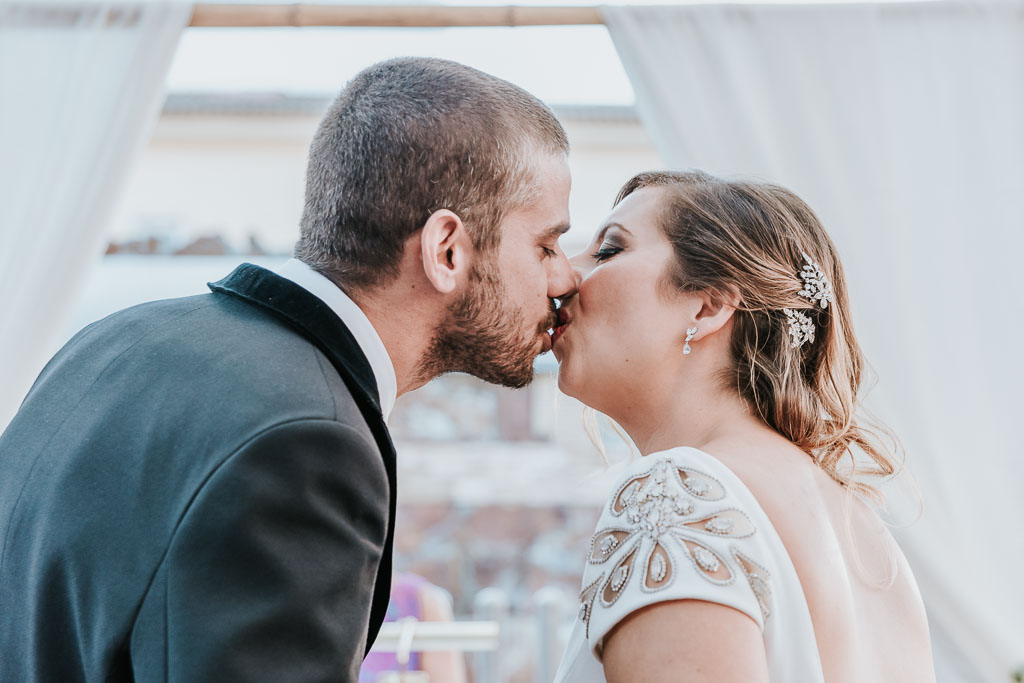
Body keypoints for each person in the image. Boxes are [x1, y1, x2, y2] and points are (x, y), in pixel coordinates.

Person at [0, 57, 576, 682]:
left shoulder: (110, 341)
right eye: (545, 245)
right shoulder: (306, 440)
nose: (565, 277)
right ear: (447, 250)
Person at [551, 171, 936, 682]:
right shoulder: (861, 526)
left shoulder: (677, 493)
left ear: (708, 306)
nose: (562, 277)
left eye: (608, 251)